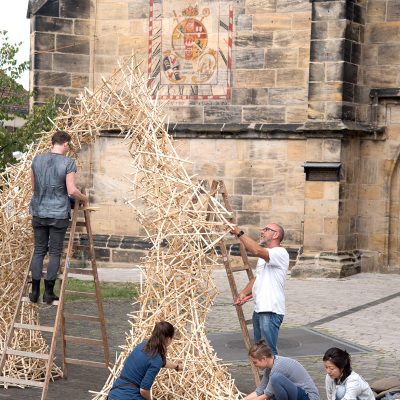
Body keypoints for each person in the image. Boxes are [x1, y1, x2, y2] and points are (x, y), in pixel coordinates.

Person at [29, 130, 88, 304]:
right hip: (58, 214)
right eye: (69, 145)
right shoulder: (68, 163)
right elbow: (71, 190)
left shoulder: (36, 160)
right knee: (54, 252)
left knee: (39, 251)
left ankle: (34, 292)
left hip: (38, 211)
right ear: (65, 144)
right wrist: (84, 198)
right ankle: (48, 293)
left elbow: (34, 188)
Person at [230, 223, 289, 356]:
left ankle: (276, 376)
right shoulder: (264, 257)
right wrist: (244, 293)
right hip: (260, 309)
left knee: (269, 353)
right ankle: (267, 377)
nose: (262, 232)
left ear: (276, 235)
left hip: (270, 310)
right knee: (261, 353)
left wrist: (239, 233)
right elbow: (257, 278)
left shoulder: (280, 252)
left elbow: (256, 250)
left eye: (267, 229)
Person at [108, 321, 182, 400]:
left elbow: (161, 361)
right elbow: (143, 390)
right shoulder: (156, 360)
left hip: (114, 393)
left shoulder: (142, 345)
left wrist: (176, 366)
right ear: (168, 339)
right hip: (129, 396)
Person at [244, 340, 319, 400]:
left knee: (275, 379)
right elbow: (260, 390)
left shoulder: (278, 366)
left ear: (263, 359)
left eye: (255, 362)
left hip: (308, 397)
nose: (254, 365)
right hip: (297, 394)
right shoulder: (269, 367)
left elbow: (267, 394)